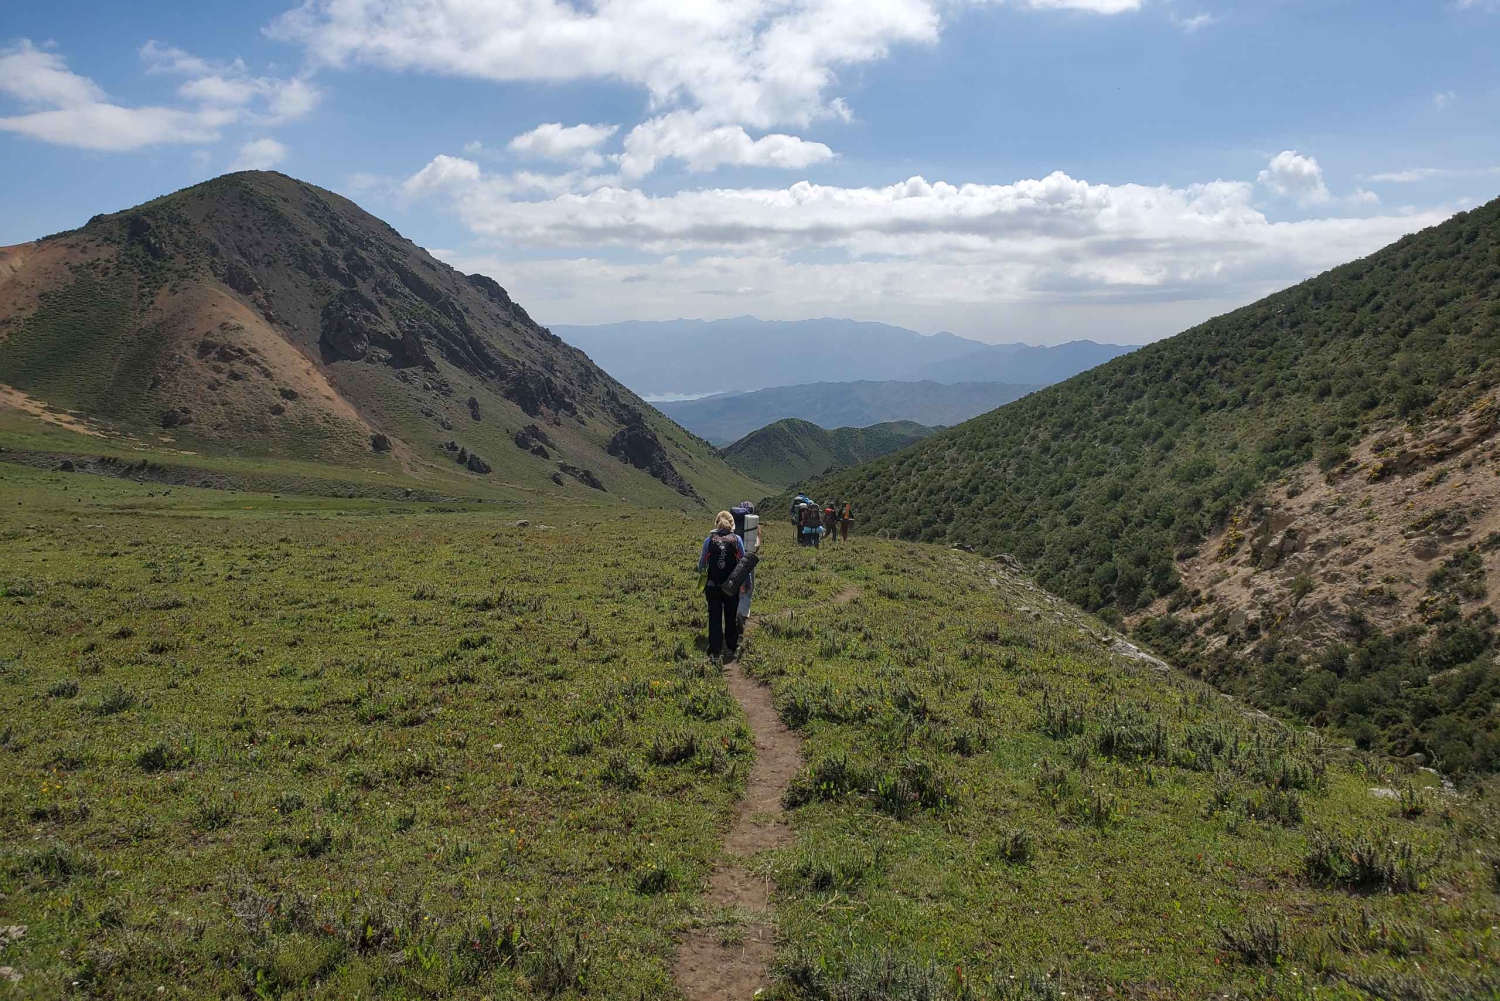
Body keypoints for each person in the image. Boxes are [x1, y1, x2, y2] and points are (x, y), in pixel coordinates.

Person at [698, 510, 746, 660]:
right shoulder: (737, 539)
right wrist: (746, 584)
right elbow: (744, 564)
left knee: (714, 617)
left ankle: (714, 650)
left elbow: (701, 564)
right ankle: (731, 648)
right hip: (731, 586)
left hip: (712, 586)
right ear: (732, 524)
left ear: (716, 523)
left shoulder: (709, 539)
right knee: (730, 617)